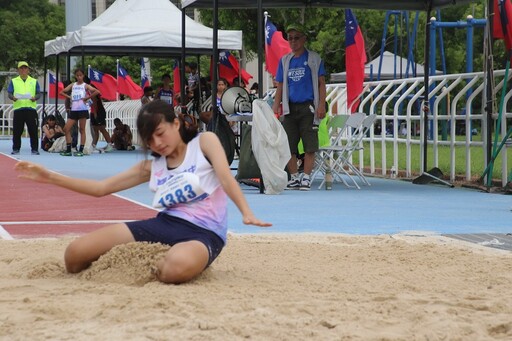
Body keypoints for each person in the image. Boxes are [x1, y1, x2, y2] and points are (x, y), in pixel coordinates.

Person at [14, 100, 271, 284]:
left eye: (160, 134)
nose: (157, 144)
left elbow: (226, 177)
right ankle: (147, 259)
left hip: (204, 234)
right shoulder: (152, 166)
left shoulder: (204, 143)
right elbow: (100, 189)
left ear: (176, 123)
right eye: (150, 141)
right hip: (164, 225)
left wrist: (246, 213)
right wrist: (49, 177)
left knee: (174, 269)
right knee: (74, 255)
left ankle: (165, 261)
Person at [272, 23, 327, 191]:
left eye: (297, 38)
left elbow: (321, 83)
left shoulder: (314, 58)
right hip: (290, 108)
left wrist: (321, 105)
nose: (293, 41)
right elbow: (280, 85)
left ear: (304, 39)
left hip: (308, 107)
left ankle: (307, 177)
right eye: (290, 38)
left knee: (310, 144)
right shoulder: (285, 60)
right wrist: (276, 105)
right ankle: (295, 177)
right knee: (287, 145)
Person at [59, 69, 100, 157]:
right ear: (75, 76)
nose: (79, 77)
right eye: (77, 76)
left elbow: (97, 91)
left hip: (82, 110)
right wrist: (69, 97)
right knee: (66, 129)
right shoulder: (73, 85)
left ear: (83, 76)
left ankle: (81, 149)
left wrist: (87, 98)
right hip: (74, 110)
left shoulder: (85, 85)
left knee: (82, 130)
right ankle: (69, 149)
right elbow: (61, 92)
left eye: (80, 75)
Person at [8, 61, 41, 155]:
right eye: (21, 68)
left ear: (28, 70)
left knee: (33, 130)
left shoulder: (33, 81)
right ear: (18, 70)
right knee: (17, 131)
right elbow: (10, 93)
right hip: (19, 108)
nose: (23, 70)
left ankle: (34, 149)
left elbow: (38, 93)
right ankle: (16, 148)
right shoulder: (14, 81)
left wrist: (35, 98)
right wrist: (12, 98)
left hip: (30, 108)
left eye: (25, 68)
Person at [89, 84, 114, 152]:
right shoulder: (89, 93)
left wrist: (95, 114)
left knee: (102, 129)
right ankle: (93, 145)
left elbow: (95, 104)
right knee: (95, 130)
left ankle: (109, 144)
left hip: (98, 112)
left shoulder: (93, 93)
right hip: (93, 112)